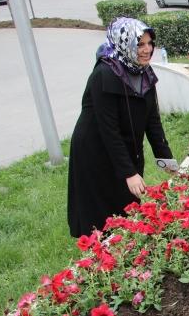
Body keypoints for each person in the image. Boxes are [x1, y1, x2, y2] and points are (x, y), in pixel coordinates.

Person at [67, 18, 175, 238]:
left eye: (150, 43)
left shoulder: (144, 72)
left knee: (127, 204)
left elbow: (152, 121)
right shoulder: (104, 74)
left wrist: (168, 161)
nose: (147, 50)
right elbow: (109, 129)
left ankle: (123, 245)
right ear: (125, 44)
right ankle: (101, 250)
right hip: (95, 149)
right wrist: (129, 173)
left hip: (125, 144)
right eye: (140, 44)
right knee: (101, 212)